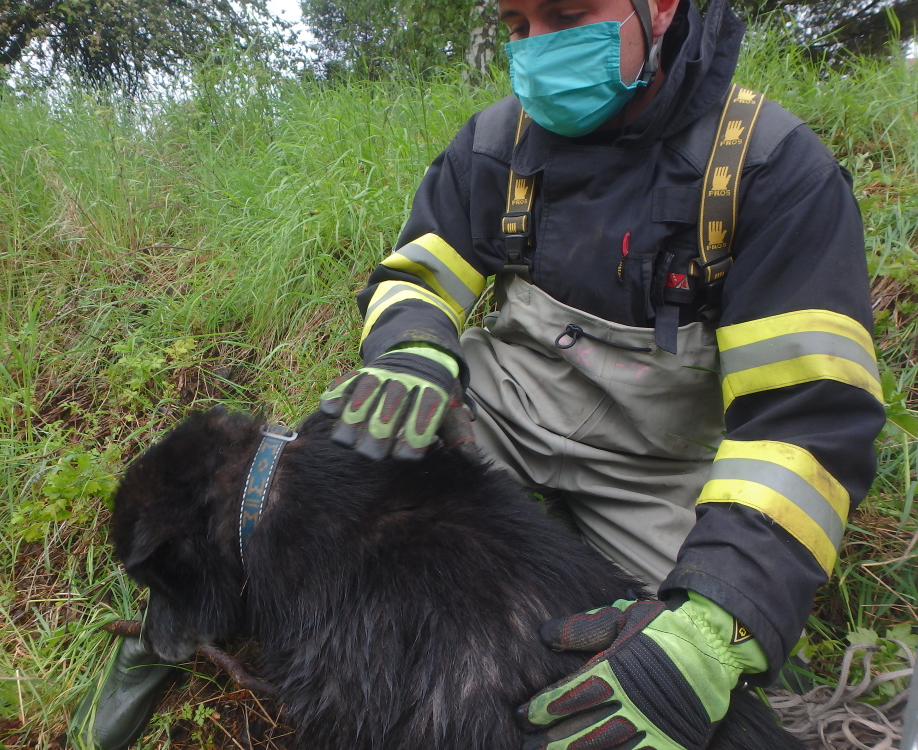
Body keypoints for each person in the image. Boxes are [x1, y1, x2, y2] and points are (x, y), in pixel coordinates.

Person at [317, 0, 886, 747]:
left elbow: (805, 422)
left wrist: (718, 619)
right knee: (341, 477)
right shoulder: (496, 144)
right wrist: (412, 353)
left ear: (661, 7)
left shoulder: (770, 169)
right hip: (505, 407)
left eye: (567, 14)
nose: (537, 50)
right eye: (517, 26)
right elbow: (416, 278)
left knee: (691, 683)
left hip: (660, 468)